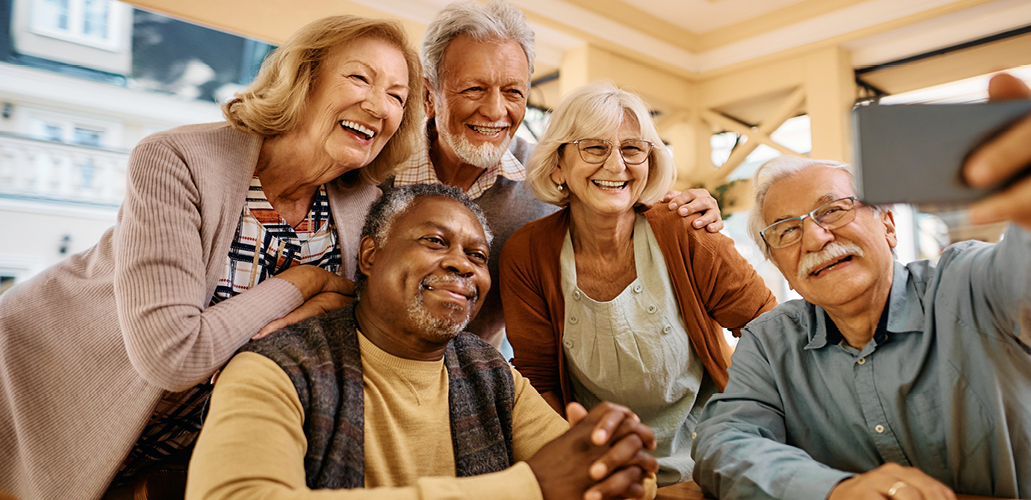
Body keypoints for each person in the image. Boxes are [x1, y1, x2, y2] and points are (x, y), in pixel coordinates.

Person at [0, 16, 425, 500]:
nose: (378, 105)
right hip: (49, 387)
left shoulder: (365, 209)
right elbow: (173, 354)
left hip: (181, 444)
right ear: (305, 78)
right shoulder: (176, 158)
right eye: (360, 77)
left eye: (397, 96)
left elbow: (356, 324)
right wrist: (300, 284)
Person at [691, 73, 1031, 500]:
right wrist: (834, 490)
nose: (814, 239)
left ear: (887, 224)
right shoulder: (771, 341)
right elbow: (723, 444)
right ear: (779, 265)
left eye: (833, 211)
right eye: (787, 231)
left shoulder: (967, 286)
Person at [186, 184, 659, 500]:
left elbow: (588, 470)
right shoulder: (275, 368)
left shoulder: (489, 372)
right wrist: (528, 488)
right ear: (370, 255)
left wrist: (618, 455)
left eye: (477, 255)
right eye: (435, 242)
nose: (463, 265)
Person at [388, 0, 724, 348]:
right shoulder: (376, 166)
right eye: (474, 88)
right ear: (429, 95)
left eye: (513, 92)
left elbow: (620, 204)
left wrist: (689, 210)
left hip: (475, 377)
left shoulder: (551, 175)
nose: (494, 110)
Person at [501, 81, 778, 487]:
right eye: (594, 148)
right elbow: (539, 382)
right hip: (605, 469)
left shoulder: (686, 227)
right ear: (558, 164)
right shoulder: (527, 252)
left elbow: (769, 330)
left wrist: (736, 434)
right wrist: (589, 467)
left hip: (712, 461)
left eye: (632, 149)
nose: (617, 166)